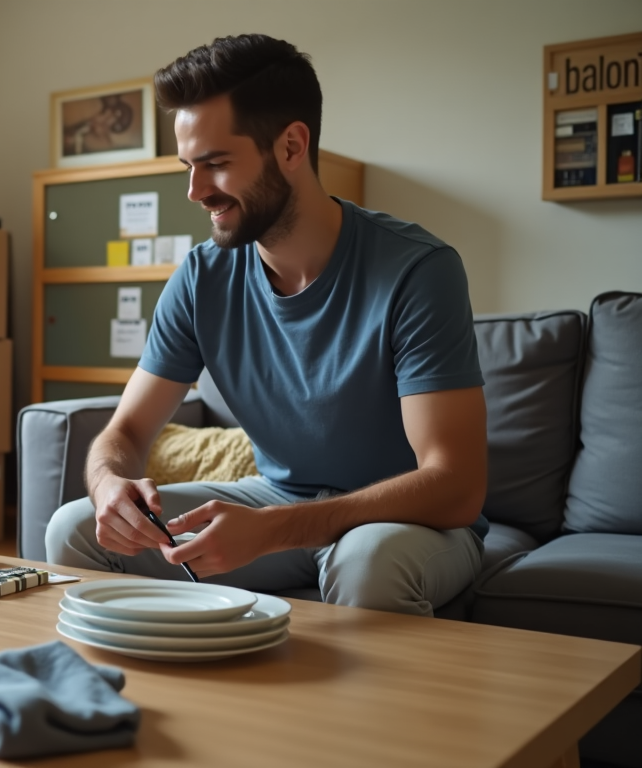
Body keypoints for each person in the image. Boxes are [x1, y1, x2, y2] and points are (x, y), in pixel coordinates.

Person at [45, 34, 488, 617]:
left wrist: (277, 529)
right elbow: (124, 433)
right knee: (73, 527)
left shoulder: (417, 270)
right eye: (189, 167)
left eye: (217, 164)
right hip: (276, 499)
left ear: (291, 146)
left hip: (402, 522)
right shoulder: (203, 277)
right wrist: (108, 487)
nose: (195, 191)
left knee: (368, 565)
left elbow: (455, 484)